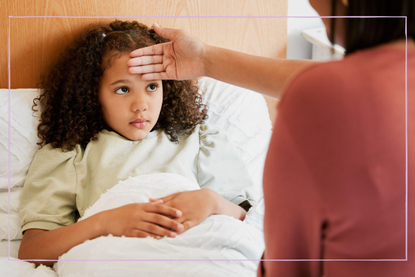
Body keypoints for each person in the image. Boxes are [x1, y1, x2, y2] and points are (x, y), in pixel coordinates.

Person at [127, 0, 415, 276]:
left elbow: (286, 261)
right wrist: (203, 58)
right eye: (122, 90)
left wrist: (216, 205)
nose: (310, 4)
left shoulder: (321, 97)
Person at [18, 20, 257, 267]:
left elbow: (249, 225)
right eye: (122, 89)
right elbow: (32, 250)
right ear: (92, 94)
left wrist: (212, 201)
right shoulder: (71, 155)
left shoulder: (199, 141)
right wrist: (104, 222)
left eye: (152, 86)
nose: (141, 104)